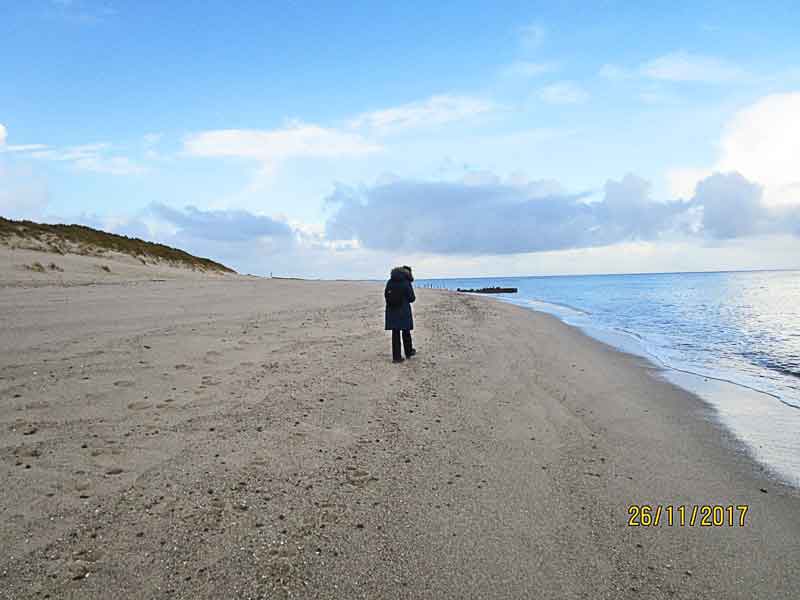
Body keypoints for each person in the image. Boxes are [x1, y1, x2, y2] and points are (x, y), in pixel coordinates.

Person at [384, 265, 417, 363]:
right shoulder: (405, 282)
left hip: (391, 310)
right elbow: (412, 298)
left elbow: (386, 294)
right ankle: (408, 352)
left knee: (395, 333)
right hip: (403, 310)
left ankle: (396, 357)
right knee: (406, 331)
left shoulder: (390, 281)